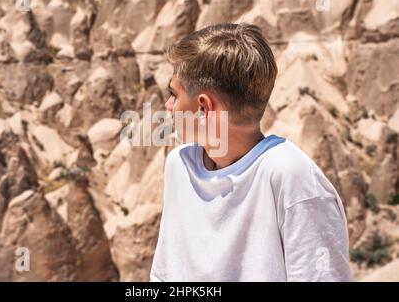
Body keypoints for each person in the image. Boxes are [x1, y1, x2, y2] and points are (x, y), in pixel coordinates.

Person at [149, 23, 353, 282]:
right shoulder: (179, 165)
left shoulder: (291, 178)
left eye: (173, 94)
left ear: (203, 108)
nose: (168, 105)